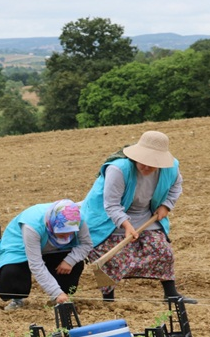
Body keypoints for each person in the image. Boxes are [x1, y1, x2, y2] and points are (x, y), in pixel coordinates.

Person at [81, 130, 197, 304]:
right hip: (107, 217)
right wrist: (126, 226)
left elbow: (175, 187)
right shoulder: (118, 169)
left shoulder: (171, 169)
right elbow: (111, 204)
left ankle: (171, 294)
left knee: (162, 251)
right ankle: (108, 299)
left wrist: (166, 206)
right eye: (143, 162)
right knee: (108, 256)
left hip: (145, 214)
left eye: (152, 163)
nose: (146, 167)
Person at [0, 200, 92, 311]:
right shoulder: (32, 226)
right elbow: (36, 264)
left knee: (76, 264)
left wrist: (70, 260)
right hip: (21, 249)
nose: (67, 236)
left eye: (70, 233)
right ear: (51, 224)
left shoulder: (77, 219)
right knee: (12, 272)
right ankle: (17, 300)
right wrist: (56, 292)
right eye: (62, 233)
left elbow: (86, 244)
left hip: (54, 250)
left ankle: (60, 299)